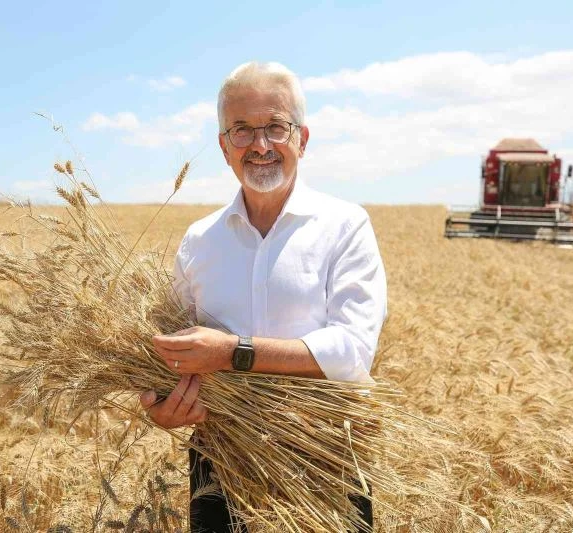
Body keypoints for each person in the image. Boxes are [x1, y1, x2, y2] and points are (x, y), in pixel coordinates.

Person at [139, 61, 387, 532]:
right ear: (223, 146)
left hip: (325, 457)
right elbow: (168, 353)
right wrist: (161, 405)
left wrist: (234, 354)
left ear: (303, 138)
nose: (260, 145)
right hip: (219, 459)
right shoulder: (198, 240)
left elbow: (353, 352)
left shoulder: (345, 226)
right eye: (242, 130)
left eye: (276, 127)